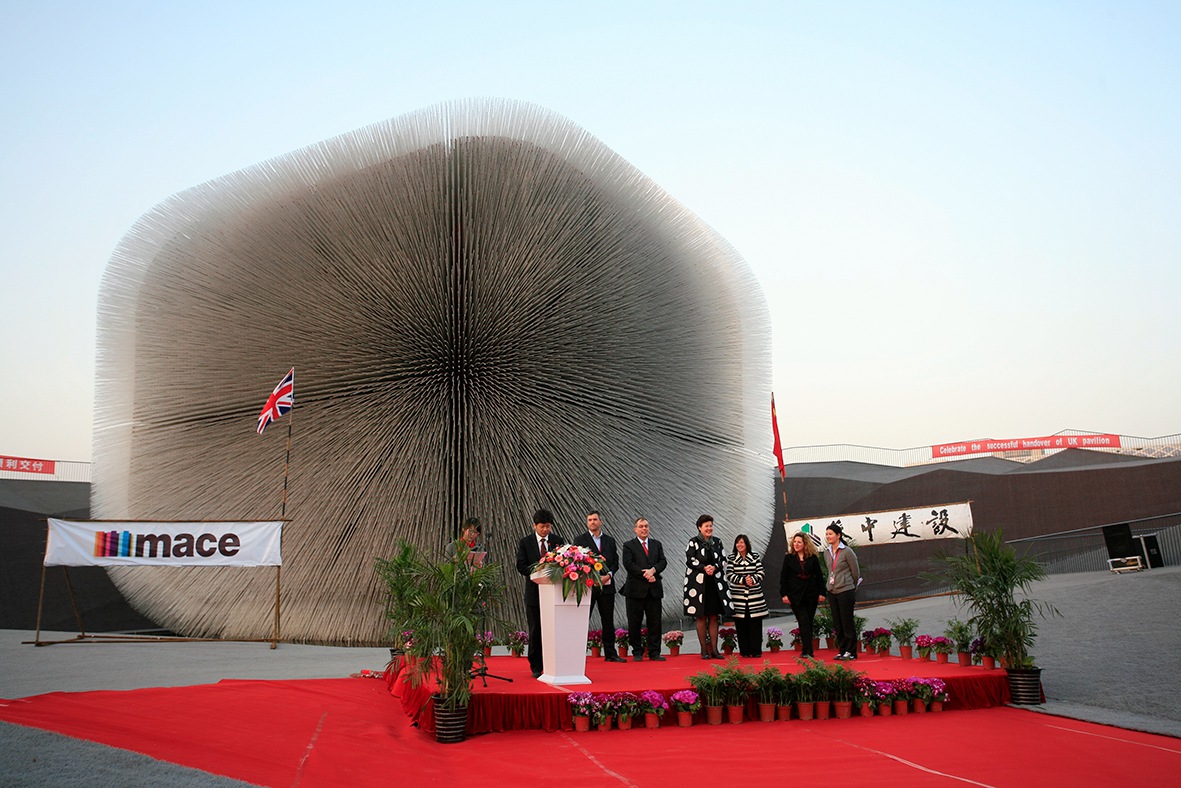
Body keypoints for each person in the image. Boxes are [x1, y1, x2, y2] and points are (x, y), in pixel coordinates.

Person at [515, 509, 564, 678]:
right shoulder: (526, 542)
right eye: (542, 527)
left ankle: (553, 663)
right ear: (534, 525)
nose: (545, 530)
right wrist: (538, 570)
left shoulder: (557, 541)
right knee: (536, 629)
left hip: (553, 594)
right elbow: (521, 565)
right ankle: (536, 665)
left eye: (548, 527)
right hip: (534, 593)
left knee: (553, 629)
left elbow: (563, 562)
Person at [572, 510, 626, 662]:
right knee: (583, 620)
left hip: (607, 585)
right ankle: (578, 653)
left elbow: (615, 561)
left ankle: (610, 653)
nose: (593, 522)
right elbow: (577, 562)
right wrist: (591, 578)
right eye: (590, 520)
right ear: (587, 522)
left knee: (608, 620)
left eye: (595, 519)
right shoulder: (580, 540)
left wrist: (608, 575)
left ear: (600, 522)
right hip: (588, 586)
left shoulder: (609, 540)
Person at [683, 514, 730, 659]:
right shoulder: (693, 542)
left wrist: (714, 567)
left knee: (714, 616)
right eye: (706, 526)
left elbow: (723, 559)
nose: (709, 528)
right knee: (701, 617)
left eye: (710, 526)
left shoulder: (717, 542)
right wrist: (704, 568)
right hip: (698, 585)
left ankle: (715, 649)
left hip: (714, 584)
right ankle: (704, 649)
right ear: (700, 528)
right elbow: (690, 560)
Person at [620, 517, 667, 661]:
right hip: (635, 590)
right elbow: (629, 564)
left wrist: (653, 570)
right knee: (635, 622)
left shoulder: (656, 544)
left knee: (655, 622)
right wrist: (646, 574)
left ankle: (654, 652)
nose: (644, 529)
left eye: (646, 526)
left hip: (654, 589)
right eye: (641, 526)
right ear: (635, 529)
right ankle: (637, 652)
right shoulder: (629, 545)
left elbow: (663, 561)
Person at [779, 530, 824, 658]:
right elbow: (784, 578)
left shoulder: (812, 558)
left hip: (811, 595)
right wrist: (784, 594)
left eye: (799, 542)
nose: (796, 544)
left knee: (808, 622)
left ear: (805, 544)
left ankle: (806, 649)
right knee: (803, 621)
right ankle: (809, 651)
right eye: (794, 542)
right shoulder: (788, 558)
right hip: (795, 596)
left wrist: (821, 592)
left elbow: (819, 576)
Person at [823, 523, 861, 661]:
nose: (828, 536)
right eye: (827, 534)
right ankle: (842, 649)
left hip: (846, 589)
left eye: (831, 534)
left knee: (847, 621)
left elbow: (855, 571)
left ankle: (851, 651)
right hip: (832, 590)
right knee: (837, 622)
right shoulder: (827, 552)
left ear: (838, 535)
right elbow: (830, 570)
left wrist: (851, 584)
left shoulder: (847, 551)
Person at [725, 533, 767, 657]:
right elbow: (729, 574)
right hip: (738, 598)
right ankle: (744, 651)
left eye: (742, 542)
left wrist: (753, 579)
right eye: (737, 542)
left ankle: (756, 651)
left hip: (755, 597)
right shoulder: (732, 558)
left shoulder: (754, 556)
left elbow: (761, 572)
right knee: (741, 625)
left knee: (756, 625)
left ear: (747, 544)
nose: (739, 545)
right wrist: (742, 580)